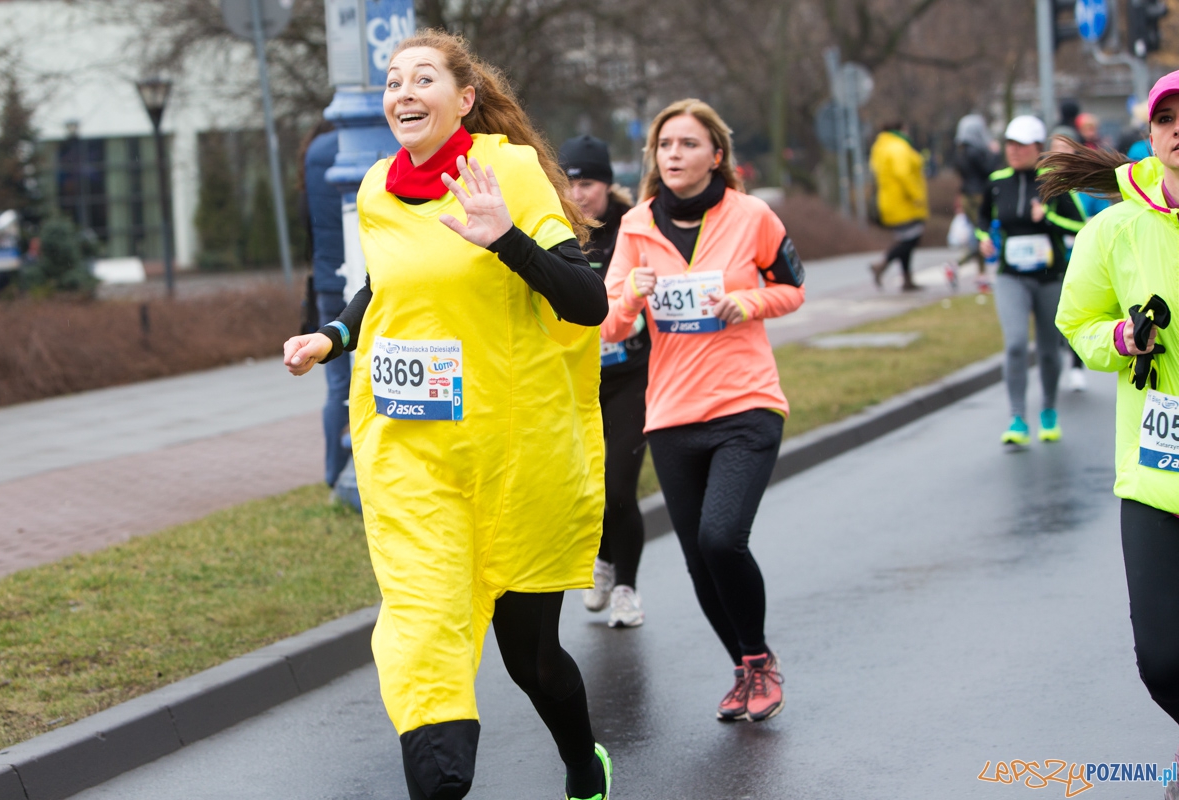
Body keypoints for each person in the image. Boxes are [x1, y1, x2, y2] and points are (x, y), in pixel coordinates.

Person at [281, 31, 612, 800]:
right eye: (393, 80)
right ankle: (438, 773)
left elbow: (586, 301)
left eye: (422, 77)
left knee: (529, 658)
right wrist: (331, 337)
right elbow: (387, 293)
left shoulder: (508, 174)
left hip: (514, 458)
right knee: (423, 615)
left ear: (463, 99)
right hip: (418, 456)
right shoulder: (372, 190)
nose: (403, 91)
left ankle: (580, 762)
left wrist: (505, 239)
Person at [602, 99, 805, 723]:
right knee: (696, 557)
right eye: (665, 146)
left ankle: (759, 661)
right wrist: (631, 298)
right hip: (670, 415)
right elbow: (607, 326)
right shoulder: (635, 228)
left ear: (717, 155)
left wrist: (750, 303)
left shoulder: (753, 216)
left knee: (722, 538)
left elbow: (793, 288)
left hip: (746, 403)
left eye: (688, 145)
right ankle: (747, 668)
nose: (674, 156)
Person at [1042, 69, 1179, 797]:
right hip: (1158, 472)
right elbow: (1079, 322)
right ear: (1151, 135)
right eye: (1168, 118)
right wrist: (1122, 339)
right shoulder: (1114, 227)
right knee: (1162, 661)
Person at [559, 134, 650, 628]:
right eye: (569, 182)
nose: (578, 194)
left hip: (631, 374)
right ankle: (603, 560)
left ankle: (627, 589)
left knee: (618, 486)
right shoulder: (553, 226)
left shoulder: (631, 227)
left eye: (588, 183)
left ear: (608, 184)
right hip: (576, 380)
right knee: (588, 489)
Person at [976, 115, 1085, 446]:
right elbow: (982, 219)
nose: (1013, 150)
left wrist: (1048, 218)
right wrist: (983, 238)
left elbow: (1082, 227)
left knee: (1050, 351)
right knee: (1016, 344)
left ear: (1038, 148)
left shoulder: (1055, 182)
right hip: (1011, 277)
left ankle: (1049, 411)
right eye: (1009, 144)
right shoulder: (997, 182)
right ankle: (1018, 418)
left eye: (1021, 145)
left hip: (1050, 278)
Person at [301, 122, 353, 492]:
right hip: (361, 276)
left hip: (326, 276)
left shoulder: (315, 152)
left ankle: (334, 473)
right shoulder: (365, 143)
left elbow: (307, 219)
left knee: (337, 388)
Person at [1048, 128, 1111, 392]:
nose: (1061, 154)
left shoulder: (1087, 183)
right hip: (1054, 259)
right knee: (1057, 312)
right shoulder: (1043, 183)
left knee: (1080, 311)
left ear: (1075, 150)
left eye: (1066, 149)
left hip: (1083, 258)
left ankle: (1075, 366)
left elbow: (1104, 214)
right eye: (1056, 149)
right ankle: (1060, 357)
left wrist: (1085, 226)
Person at [869, 121, 929, 291]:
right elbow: (903, 174)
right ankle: (882, 264)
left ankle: (907, 279)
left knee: (905, 239)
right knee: (911, 239)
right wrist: (917, 195)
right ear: (899, 130)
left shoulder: (881, 146)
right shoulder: (898, 147)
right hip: (903, 203)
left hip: (890, 202)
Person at [954, 114, 1001, 289]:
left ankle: (979, 272)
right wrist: (995, 154)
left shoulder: (960, 151)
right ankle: (963, 266)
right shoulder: (976, 151)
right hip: (979, 195)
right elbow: (988, 170)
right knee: (983, 233)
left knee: (978, 233)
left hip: (967, 195)